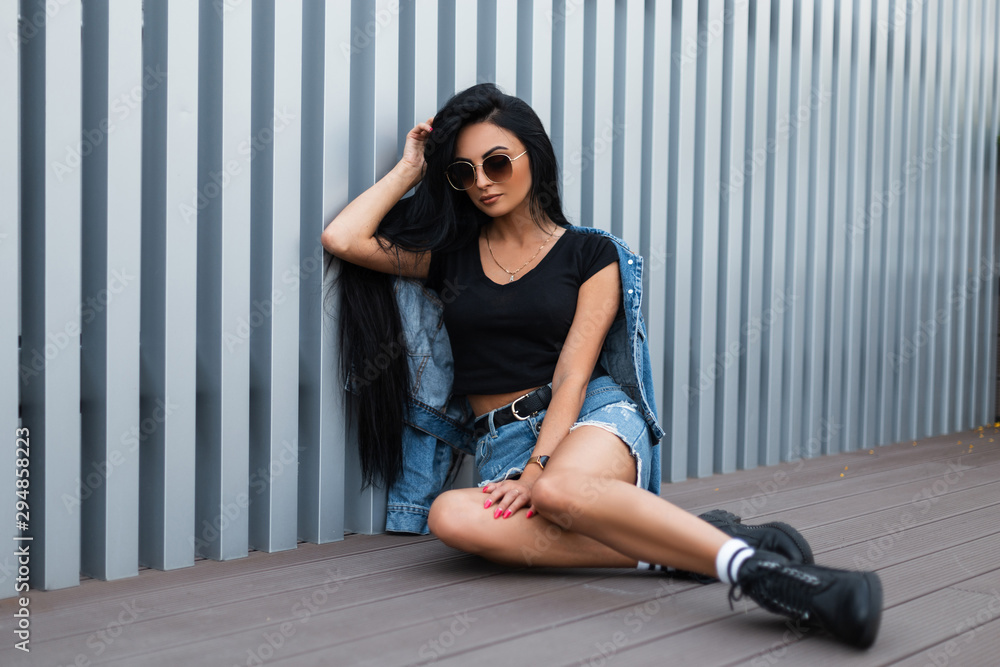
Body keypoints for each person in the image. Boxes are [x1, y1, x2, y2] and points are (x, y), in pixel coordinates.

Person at [321, 83, 883, 649]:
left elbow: (572, 372)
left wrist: (540, 471)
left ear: (534, 157)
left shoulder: (592, 254)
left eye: (496, 162)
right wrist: (412, 168)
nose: (483, 182)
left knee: (559, 493)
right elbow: (343, 237)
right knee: (451, 518)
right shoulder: (451, 259)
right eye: (463, 172)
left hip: (589, 418)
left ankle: (761, 573)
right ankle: (700, 540)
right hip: (502, 444)